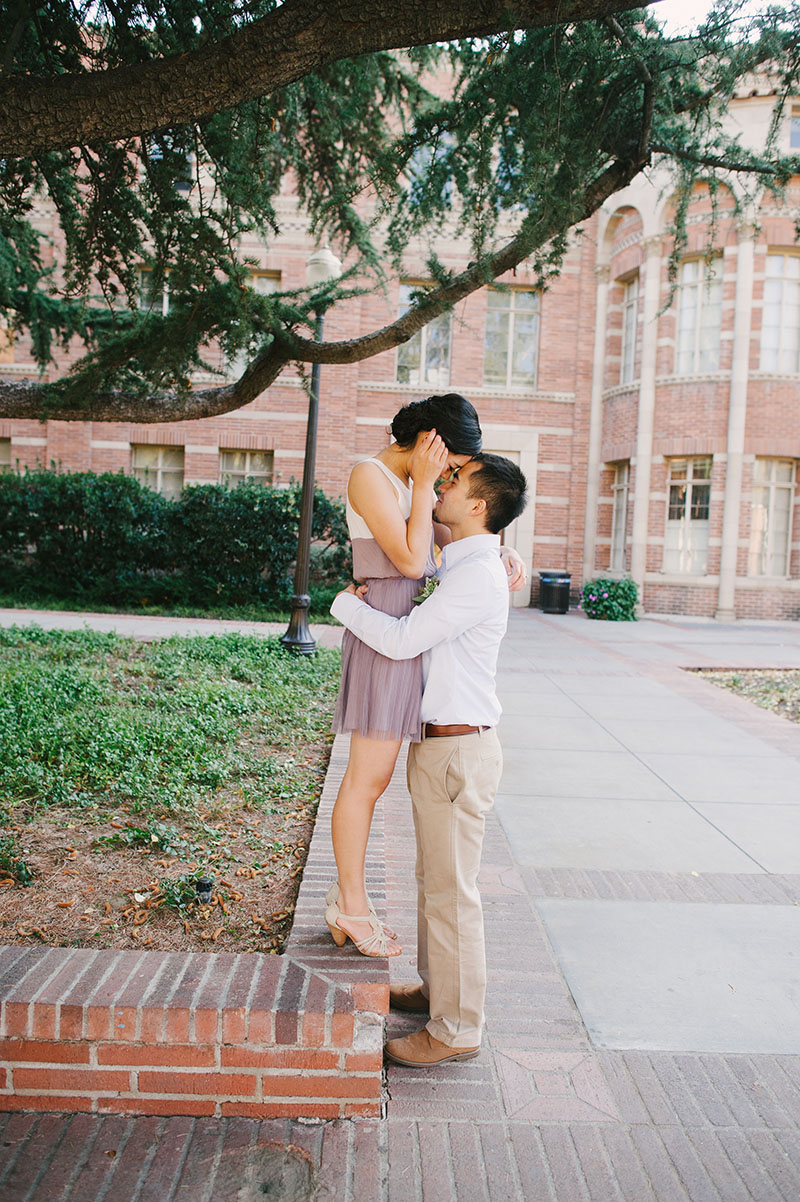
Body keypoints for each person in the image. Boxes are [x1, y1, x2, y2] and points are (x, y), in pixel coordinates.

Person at [331, 452, 528, 1067]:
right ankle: (435, 989)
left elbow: (399, 639)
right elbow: (432, 552)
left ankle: (456, 1029)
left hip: (459, 750)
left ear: (477, 506)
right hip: (442, 746)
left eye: (454, 482)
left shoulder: (475, 575)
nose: (440, 487)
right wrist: (507, 551)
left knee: (452, 892)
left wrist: (343, 604)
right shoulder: (469, 559)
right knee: (432, 882)